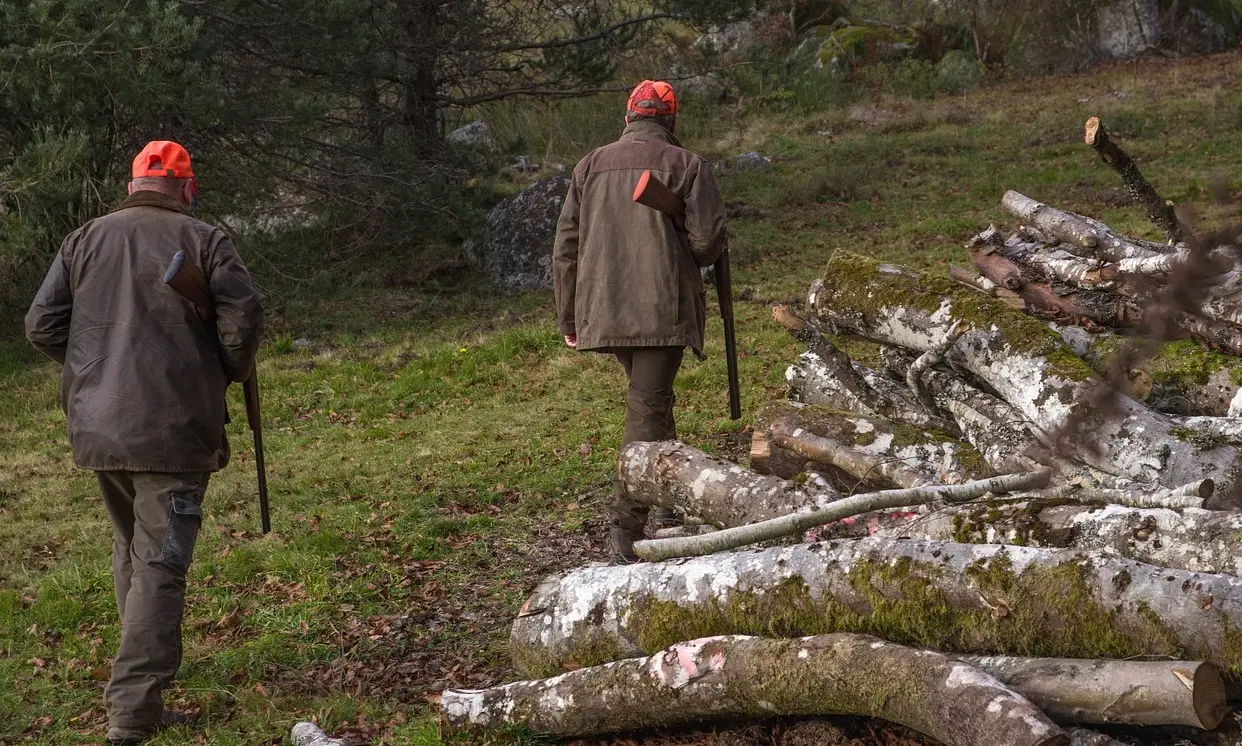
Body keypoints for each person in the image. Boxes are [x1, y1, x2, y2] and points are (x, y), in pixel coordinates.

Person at [24, 141, 264, 744]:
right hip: (172, 429)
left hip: (99, 426)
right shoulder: (208, 240)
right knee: (160, 564)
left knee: (133, 546)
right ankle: (132, 710)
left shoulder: (83, 238)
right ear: (187, 187)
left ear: (135, 185)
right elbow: (244, 318)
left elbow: (41, 325)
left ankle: (140, 691)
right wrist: (226, 370)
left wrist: (92, 371)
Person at [552, 80, 728, 564]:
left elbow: (566, 245)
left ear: (628, 116)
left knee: (651, 400)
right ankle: (625, 530)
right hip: (659, 308)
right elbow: (706, 245)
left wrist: (570, 316)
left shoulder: (589, 164)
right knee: (646, 414)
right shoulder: (689, 165)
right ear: (671, 120)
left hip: (603, 310)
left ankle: (667, 501)